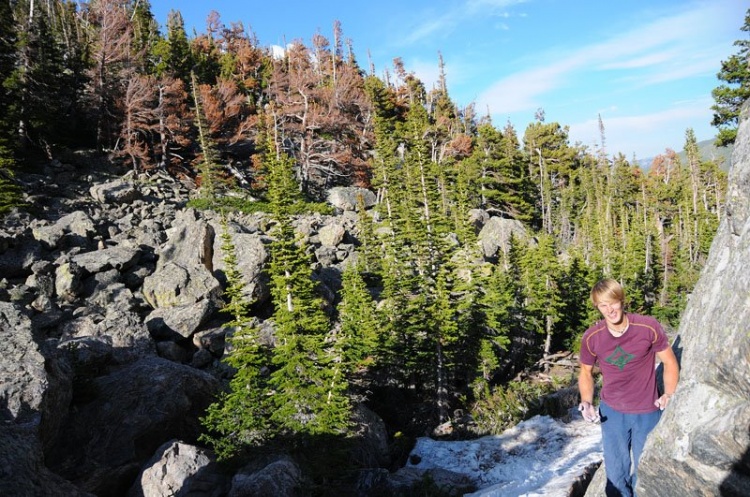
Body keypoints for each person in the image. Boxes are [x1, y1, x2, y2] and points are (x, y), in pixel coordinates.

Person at [578, 278, 679, 497]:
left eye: (613, 302)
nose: (609, 309)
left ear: (622, 301)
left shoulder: (647, 327)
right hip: (612, 413)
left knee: (645, 471)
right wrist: (586, 402)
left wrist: (669, 394)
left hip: (647, 412)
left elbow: (670, 362)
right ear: (597, 307)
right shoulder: (592, 337)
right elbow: (585, 372)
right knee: (616, 476)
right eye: (603, 305)